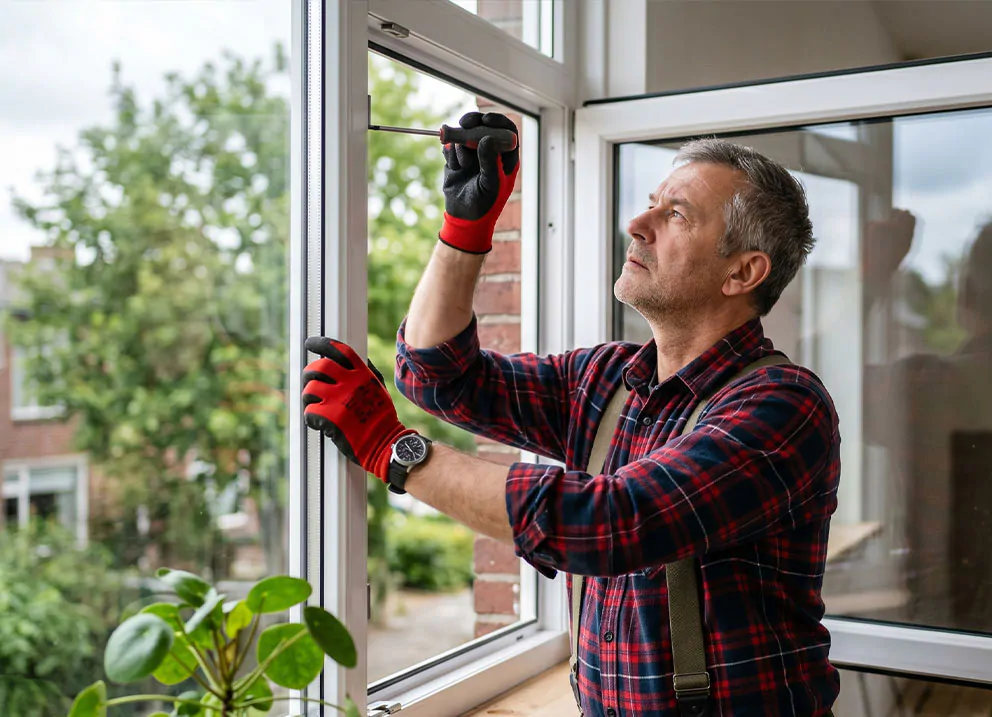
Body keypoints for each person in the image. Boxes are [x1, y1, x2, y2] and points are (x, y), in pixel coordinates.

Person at [302, 112, 841, 716]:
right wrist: (465, 230)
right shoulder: (607, 381)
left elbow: (610, 522)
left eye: (677, 215)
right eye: (650, 206)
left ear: (742, 272)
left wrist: (392, 449)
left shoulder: (783, 406)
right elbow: (439, 376)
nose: (637, 225)